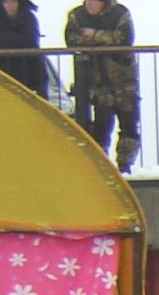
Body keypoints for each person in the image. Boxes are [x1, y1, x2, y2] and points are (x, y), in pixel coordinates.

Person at [65, 0, 140, 171]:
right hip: (97, 83)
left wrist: (94, 35)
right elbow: (72, 41)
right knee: (100, 128)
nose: (90, 4)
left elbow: (124, 39)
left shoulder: (120, 13)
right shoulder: (77, 15)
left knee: (129, 126)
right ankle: (100, 168)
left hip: (123, 82)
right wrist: (106, 39)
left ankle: (125, 166)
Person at [0, 0, 45, 97]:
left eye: (13, 2)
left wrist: (1, 38)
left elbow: (30, 41)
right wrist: (14, 40)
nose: (10, 5)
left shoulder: (29, 18)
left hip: (31, 72)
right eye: (6, 2)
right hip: (5, 73)